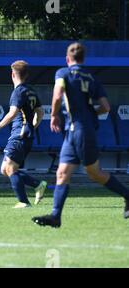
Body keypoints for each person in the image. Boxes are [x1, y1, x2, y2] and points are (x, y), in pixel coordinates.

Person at [32, 42, 129, 228]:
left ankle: (127, 195)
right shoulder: (92, 77)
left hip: (79, 131)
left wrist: (53, 115)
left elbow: (58, 95)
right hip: (79, 131)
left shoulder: (62, 73)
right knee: (63, 173)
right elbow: (106, 107)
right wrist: (91, 114)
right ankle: (55, 216)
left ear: (67, 59)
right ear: (83, 59)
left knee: (94, 173)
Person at [0, 60, 47, 208]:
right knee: (4, 169)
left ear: (13, 74)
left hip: (19, 134)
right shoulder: (30, 90)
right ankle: (37, 184)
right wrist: (33, 126)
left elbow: (12, 113)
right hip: (25, 134)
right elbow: (41, 112)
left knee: (9, 169)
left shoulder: (18, 91)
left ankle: (24, 201)